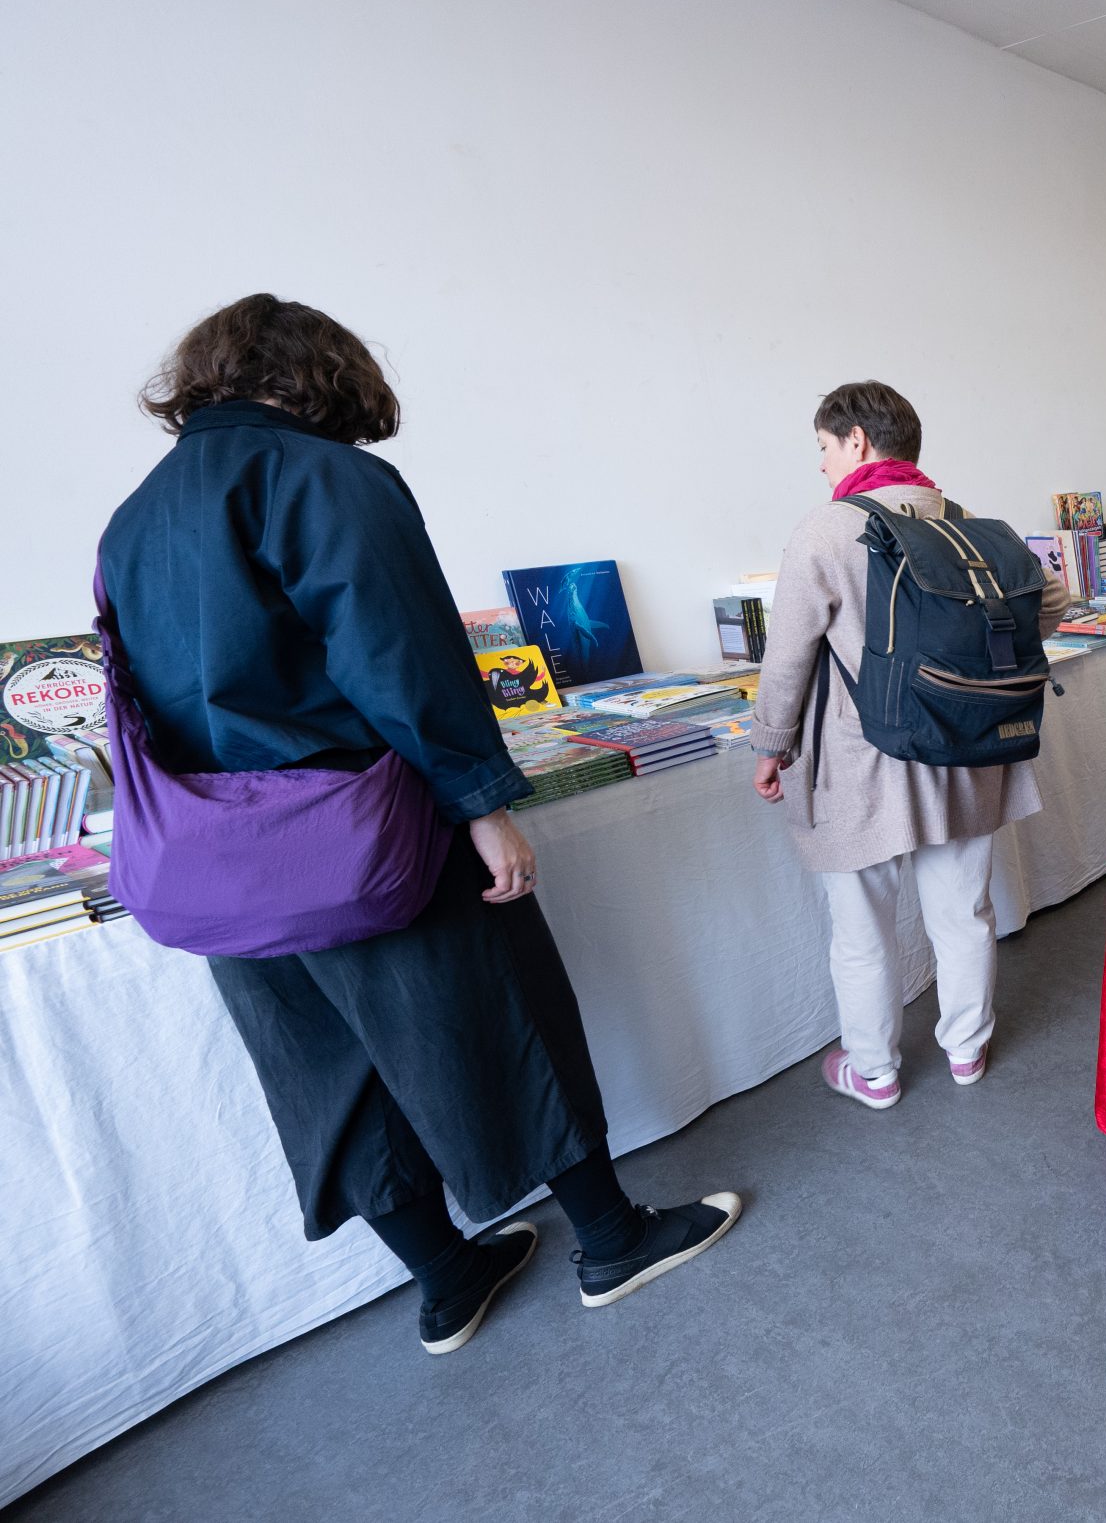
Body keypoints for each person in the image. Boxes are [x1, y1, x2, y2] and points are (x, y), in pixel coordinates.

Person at [99, 295, 739, 1357]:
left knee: (325, 1073)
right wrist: (482, 804)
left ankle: (448, 1278)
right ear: (320, 370)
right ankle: (612, 1240)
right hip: (366, 831)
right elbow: (402, 659)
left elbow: (136, 706)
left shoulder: (134, 517)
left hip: (218, 861)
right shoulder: (325, 477)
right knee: (503, 1018)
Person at [750, 381, 1068, 1112]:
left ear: (857, 441)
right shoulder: (968, 523)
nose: (823, 464)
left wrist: (770, 746)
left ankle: (875, 1070)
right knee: (964, 913)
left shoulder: (826, 530)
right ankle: (967, 1049)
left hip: (862, 760)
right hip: (964, 748)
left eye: (825, 447)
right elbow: (1050, 602)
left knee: (862, 928)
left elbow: (787, 658)